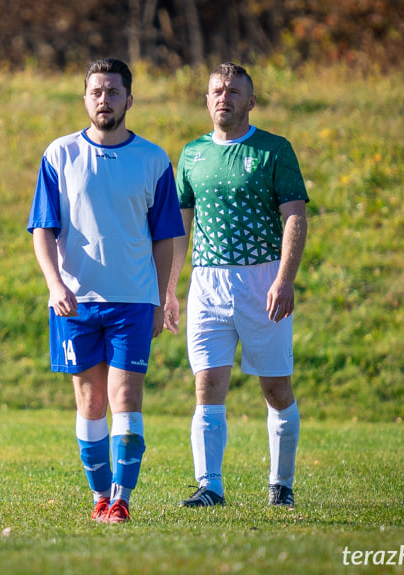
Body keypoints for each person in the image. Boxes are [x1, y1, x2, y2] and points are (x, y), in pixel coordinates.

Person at [27, 58, 184, 524]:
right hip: (75, 301)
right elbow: (42, 228)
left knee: (125, 400)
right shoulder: (59, 154)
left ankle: (121, 500)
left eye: (114, 92)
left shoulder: (154, 160)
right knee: (90, 402)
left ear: (129, 100)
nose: (104, 99)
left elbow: (166, 239)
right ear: (85, 99)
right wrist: (54, 284)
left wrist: (161, 297)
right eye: (96, 91)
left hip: (133, 301)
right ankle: (99, 498)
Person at [164, 62, 309, 508]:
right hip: (208, 283)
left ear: (251, 101)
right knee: (206, 383)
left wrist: (285, 280)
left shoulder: (274, 149)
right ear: (206, 99)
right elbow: (180, 229)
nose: (223, 97)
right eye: (216, 90)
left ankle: (280, 486)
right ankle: (210, 486)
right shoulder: (192, 154)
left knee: (275, 389)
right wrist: (170, 288)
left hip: (262, 280)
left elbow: (295, 217)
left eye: (233, 90)